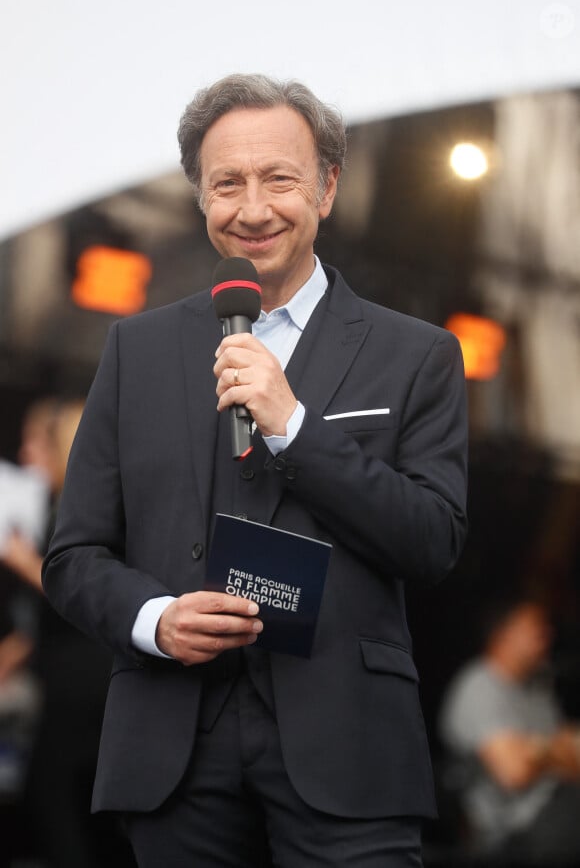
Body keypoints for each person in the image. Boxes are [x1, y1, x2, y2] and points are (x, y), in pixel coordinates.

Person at [42, 73, 468, 867]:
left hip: (348, 744)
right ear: (200, 198)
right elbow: (74, 558)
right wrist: (156, 620)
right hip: (175, 743)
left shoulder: (417, 355)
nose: (253, 207)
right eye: (226, 183)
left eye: (279, 178)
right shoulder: (135, 352)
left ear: (327, 187)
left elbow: (433, 541)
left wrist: (295, 426)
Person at [1, 398, 134, 868]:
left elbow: (78, 589)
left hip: (85, 679)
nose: (25, 454)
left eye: (37, 443)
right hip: (69, 677)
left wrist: (21, 561)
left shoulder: (81, 516)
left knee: (56, 797)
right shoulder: (57, 511)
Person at [439, 596, 580, 866]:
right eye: (534, 626)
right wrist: (553, 750)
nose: (546, 634)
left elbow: (573, 761)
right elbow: (514, 773)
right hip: (511, 829)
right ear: (504, 633)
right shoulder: (479, 685)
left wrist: (536, 750)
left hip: (559, 808)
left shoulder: (538, 688)